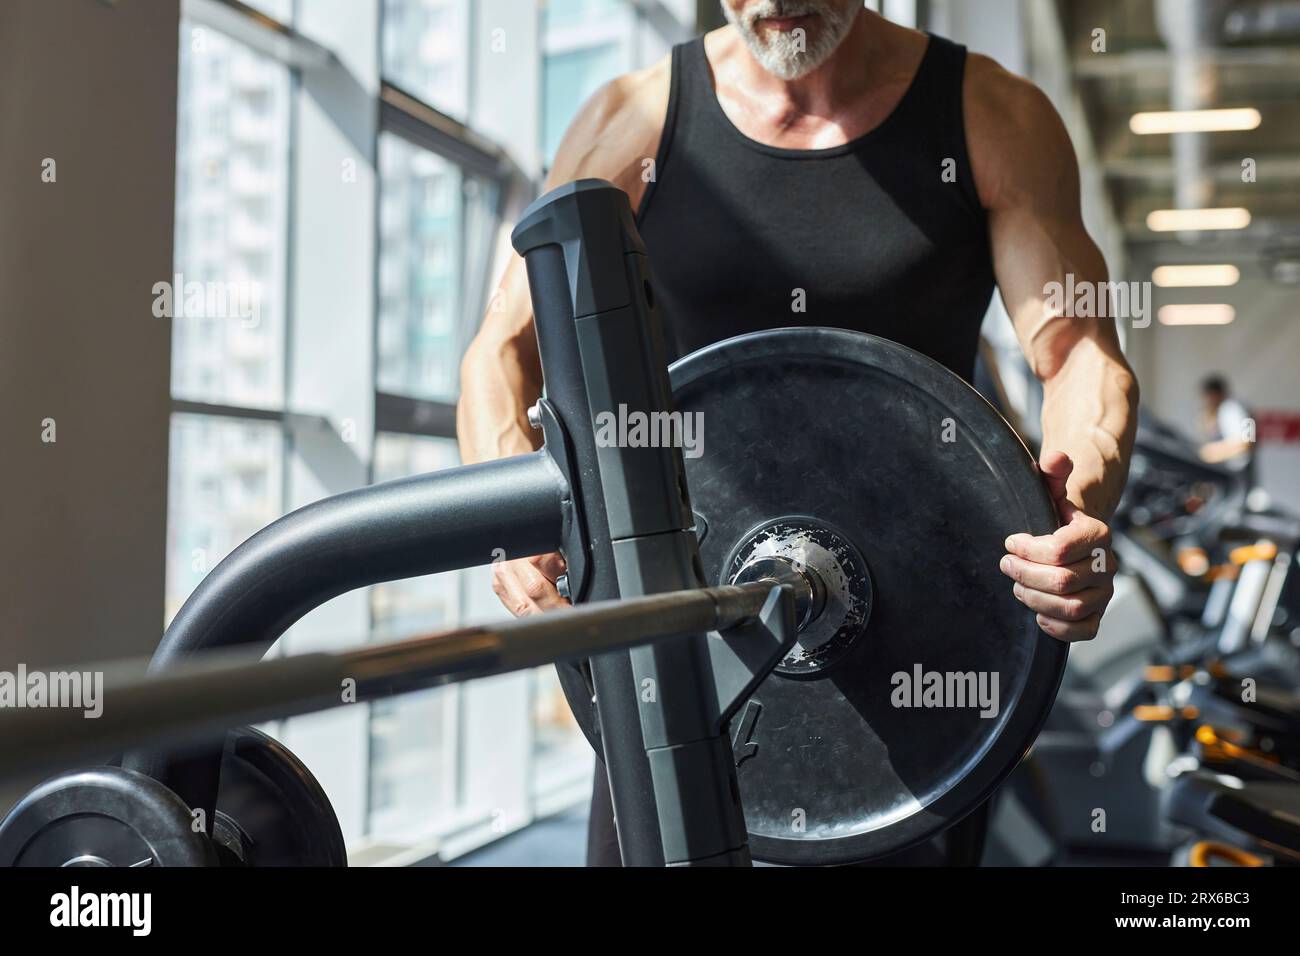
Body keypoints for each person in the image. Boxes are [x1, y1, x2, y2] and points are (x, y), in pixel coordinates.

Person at [457, 0, 1139, 865]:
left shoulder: (989, 114)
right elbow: (501, 349)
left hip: (922, 647)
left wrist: (1073, 505)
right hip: (679, 632)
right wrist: (511, 512)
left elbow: (1081, 351)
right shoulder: (633, 117)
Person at [1198, 374, 1256, 476]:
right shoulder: (1223, 410)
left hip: (1238, 473)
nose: (1206, 402)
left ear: (1214, 394)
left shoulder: (1233, 408)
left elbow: (1247, 442)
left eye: (1207, 397)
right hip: (1231, 472)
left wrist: (1211, 452)